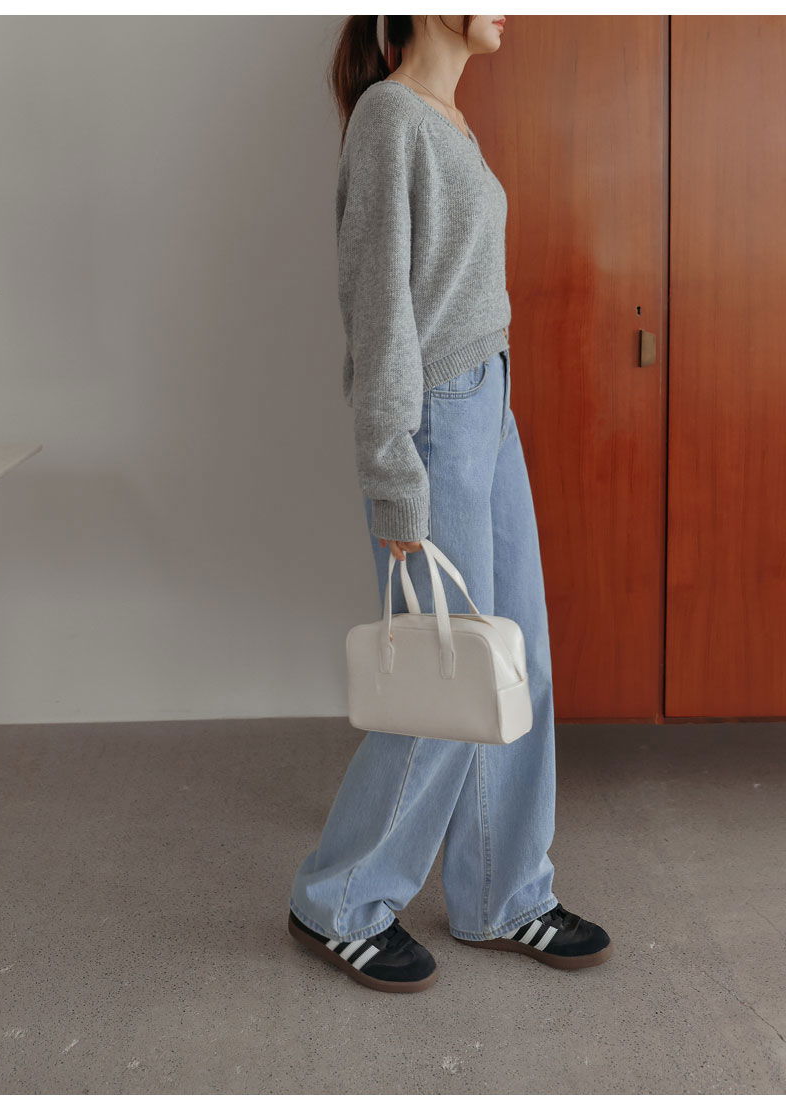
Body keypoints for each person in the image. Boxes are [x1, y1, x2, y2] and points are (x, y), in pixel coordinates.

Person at [288, 14, 612, 993]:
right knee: (442, 675)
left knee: (517, 662)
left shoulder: (447, 119)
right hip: (433, 417)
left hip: (487, 407)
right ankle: (337, 900)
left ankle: (501, 893)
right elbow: (379, 310)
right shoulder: (389, 119)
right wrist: (393, 477)